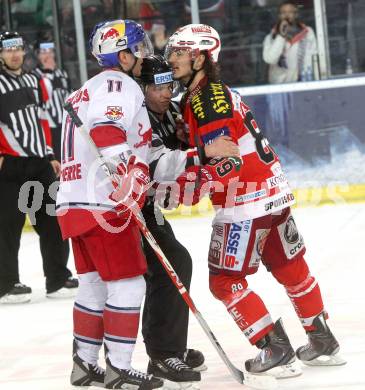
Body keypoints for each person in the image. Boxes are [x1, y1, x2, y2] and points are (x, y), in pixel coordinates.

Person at [165, 23, 345, 378]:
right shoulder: (209, 92)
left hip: (245, 203)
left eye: (179, 52)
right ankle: (322, 341)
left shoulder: (206, 98)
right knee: (291, 269)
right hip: (273, 192)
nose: (171, 59)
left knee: (223, 281)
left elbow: (227, 160)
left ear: (200, 58)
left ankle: (274, 348)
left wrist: (190, 188)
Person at [56, 19, 163, 389]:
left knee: (93, 287)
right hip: (103, 205)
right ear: (122, 54)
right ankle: (119, 368)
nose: (143, 53)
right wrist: (130, 174)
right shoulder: (120, 84)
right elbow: (105, 131)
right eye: (138, 47)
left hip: (74, 203)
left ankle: (85, 364)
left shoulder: (84, 90)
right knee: (129, 285)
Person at [138, 54, 240, 387]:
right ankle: (162, 354)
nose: (166, 91)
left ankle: (168, 350)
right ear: (143, 88)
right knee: (169, 265)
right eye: (157, 86)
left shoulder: (170, 111)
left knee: (170, 265)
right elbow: (159, 164)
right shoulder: (138, 117)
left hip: (148, 203)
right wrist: (203, 149)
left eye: (169, 83)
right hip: (127, 205)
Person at [0, 31, 77, 304]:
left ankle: (57, 279)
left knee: (54, 220)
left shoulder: (36, 81)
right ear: (1, 54)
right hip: (9, 165)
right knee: (8, 226)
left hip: (39, 162)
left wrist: (49, 153)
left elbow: (41, 120)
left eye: (17, 49)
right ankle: (6, 285)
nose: (14, 54)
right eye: (8, 50)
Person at [33, 36, 72, 162]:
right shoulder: (34, 76)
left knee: (69, 157)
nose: (48, 55)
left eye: (50, 51)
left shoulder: (62, 73)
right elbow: (43, 98)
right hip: (48, 126)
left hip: (65, 123)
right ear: (37, 55)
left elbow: (69, 96)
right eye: (44, 52)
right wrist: (48, 73)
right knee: (55, 161)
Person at [262, 1, 318, 84]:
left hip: (302, 83)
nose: (287, 15)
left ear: (296, 15)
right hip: (278, 86)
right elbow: (270, 60)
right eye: (283, 12)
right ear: (279, 16)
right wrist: (281, 36)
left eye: (290, 12)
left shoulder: (308, 33)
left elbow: (314, 57)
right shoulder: (270, 37)